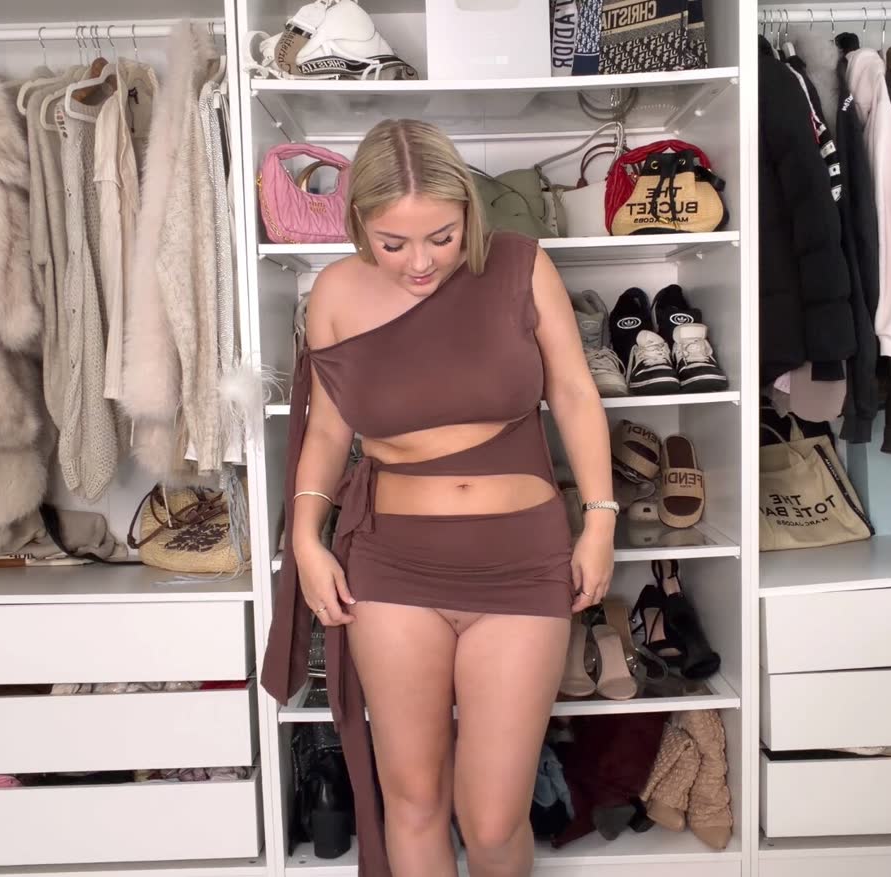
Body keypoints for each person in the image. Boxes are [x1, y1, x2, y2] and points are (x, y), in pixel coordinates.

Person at [259, 119, 619, 877]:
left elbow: (575, 393)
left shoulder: (521, 264)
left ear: (468, 214)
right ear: (358, 221)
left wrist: (600, 521)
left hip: (521, 562)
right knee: (415, 800)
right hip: (393, 566)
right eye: (393, 242)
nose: (420, 262)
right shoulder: (335, 293)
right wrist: (306, 539)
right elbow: (326, 431)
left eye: (443, 238)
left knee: (492, 819)